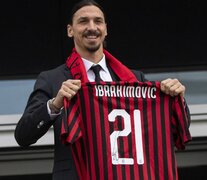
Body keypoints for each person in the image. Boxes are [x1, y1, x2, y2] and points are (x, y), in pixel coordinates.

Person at [15, 0, 191, 179]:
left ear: (106, 29)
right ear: (70, 30)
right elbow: (23, 135)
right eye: (83, 21)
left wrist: (178, 100)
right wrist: (55, 104)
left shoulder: (135, 79)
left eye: (97, 21)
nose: (92, 27)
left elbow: (171, 127)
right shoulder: (53, 80)